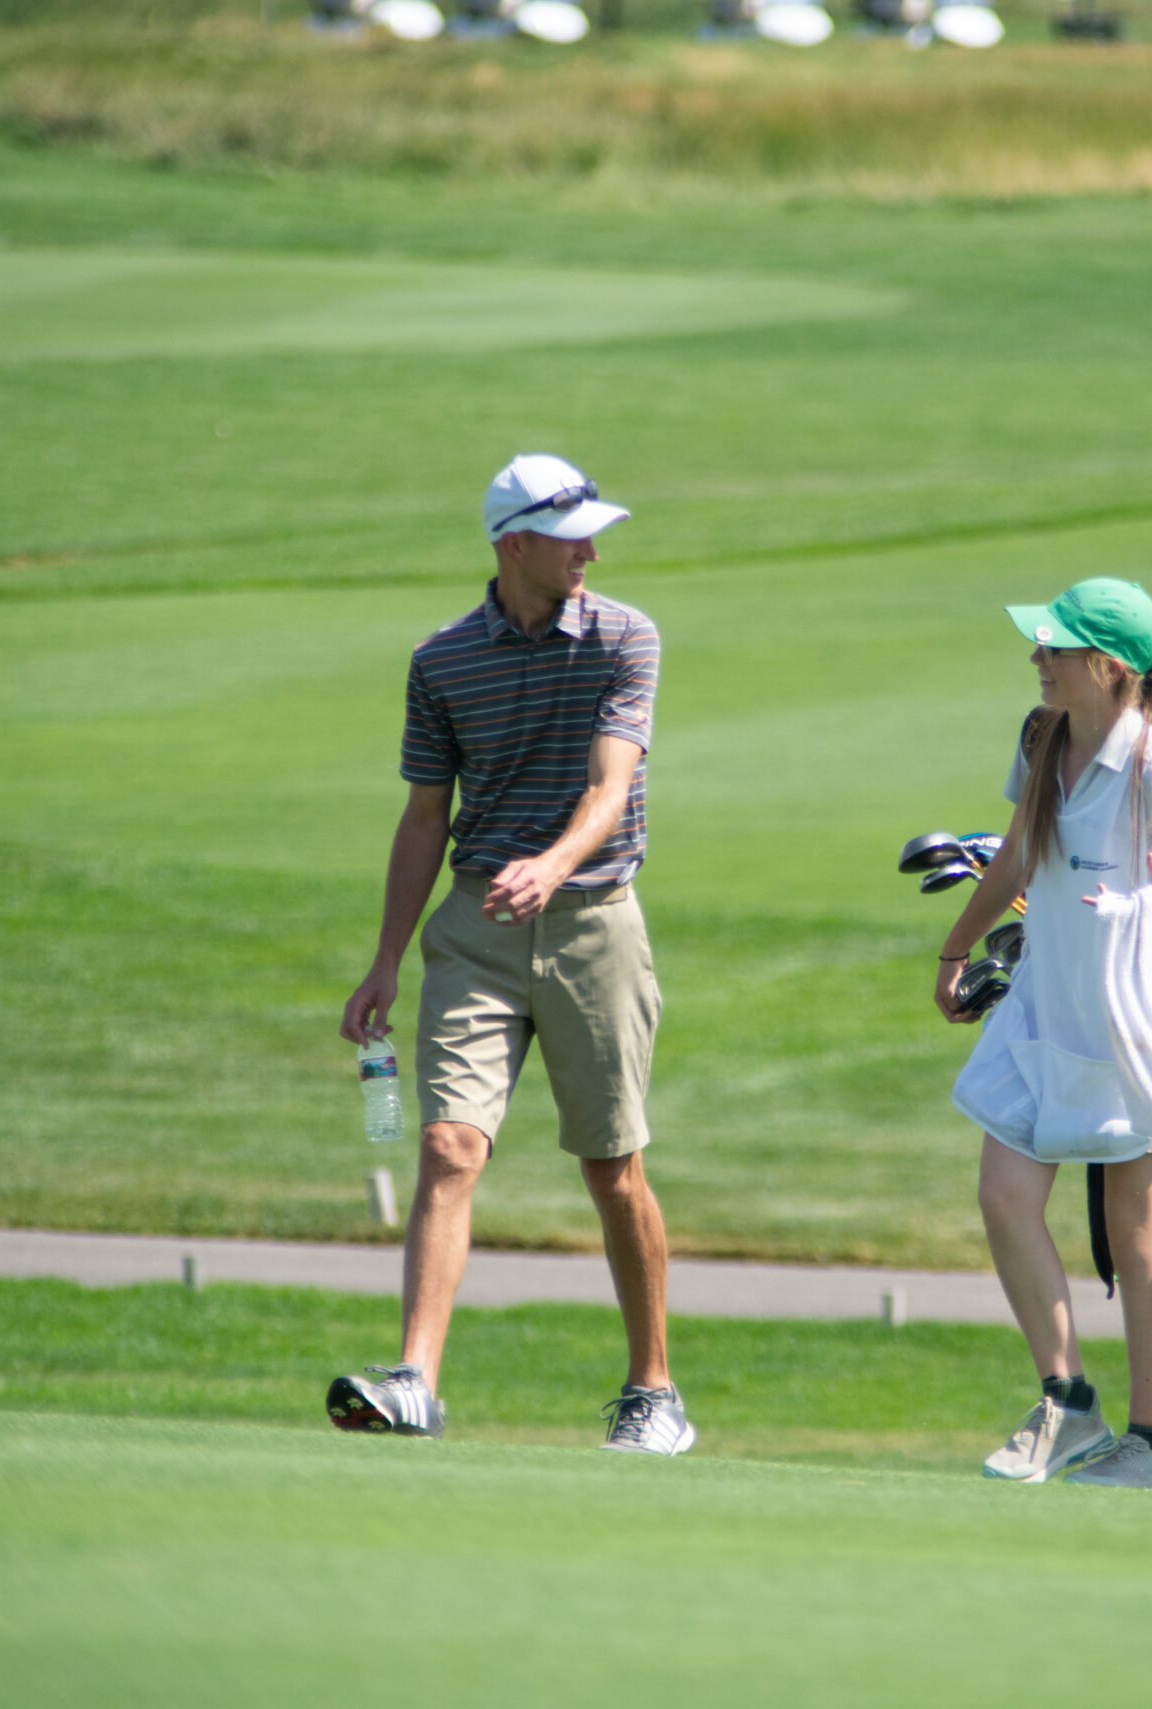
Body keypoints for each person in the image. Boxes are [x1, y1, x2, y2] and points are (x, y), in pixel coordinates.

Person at [327, 453, 693, 1456]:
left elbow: (611, 785)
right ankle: (415, 1379)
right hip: (474, 932)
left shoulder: (627, 635)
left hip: (593, 922)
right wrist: (386, 959)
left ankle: (652, 1386)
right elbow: (422, 816)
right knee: (448, 1145)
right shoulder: (442, 661)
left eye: (592, 530)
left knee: (613, 1168)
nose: (591, 548)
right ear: (512, 542)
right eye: (569, 531)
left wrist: (553, 862)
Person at [934, 578, 1152, 1491]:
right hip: (1046, 1010)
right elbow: (1019, 850)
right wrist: (955, 945)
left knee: (1141, 1243)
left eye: (1053, 647)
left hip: (1142, 1024)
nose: (1037, 657)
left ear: (1109, 667)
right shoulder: (1040, 733)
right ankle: (1065, 1398)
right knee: (1005, 1195)